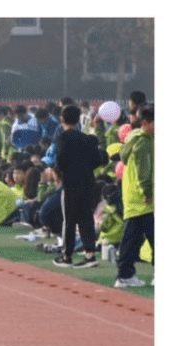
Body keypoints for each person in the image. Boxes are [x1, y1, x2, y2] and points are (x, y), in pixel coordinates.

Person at [50, 103, 102, 268]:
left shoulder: (62, 137)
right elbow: (97, 160)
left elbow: (60, 161)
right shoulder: (86, 138)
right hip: (88, 183)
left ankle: (67, 256)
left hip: (71, 184)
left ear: (62, 119)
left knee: (69, 221)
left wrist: (63, 173)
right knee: (86, 218)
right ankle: (90, 254)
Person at [114, 106, 154, 288]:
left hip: (133, 198)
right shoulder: (144, 142)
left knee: (132, 240)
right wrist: (147, 192)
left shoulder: (132, 138)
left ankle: (125, 275)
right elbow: (143, 170)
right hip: (145, 199)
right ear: (145, 123)